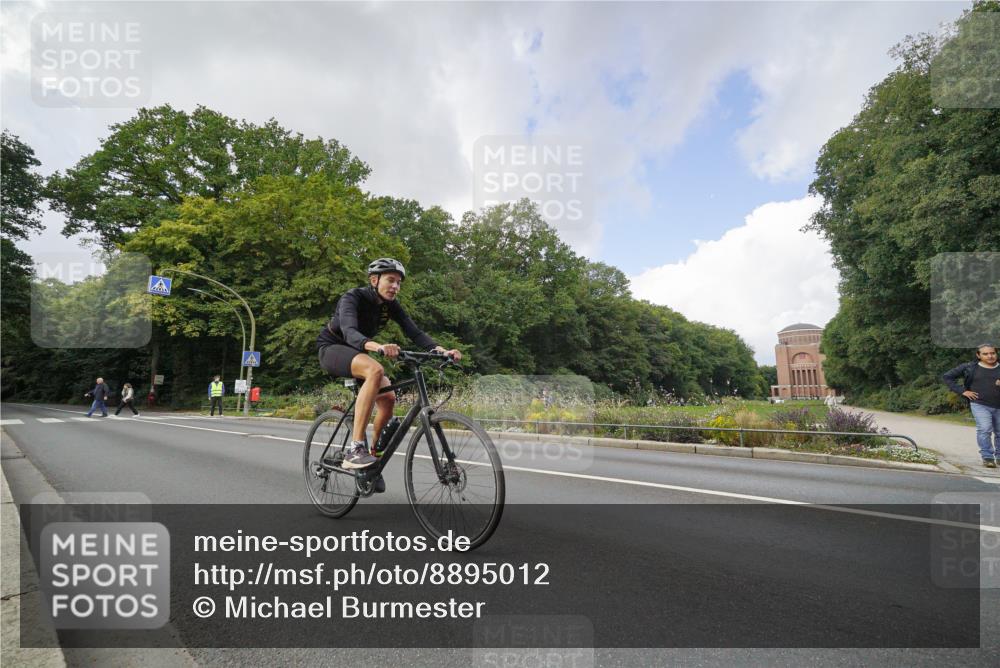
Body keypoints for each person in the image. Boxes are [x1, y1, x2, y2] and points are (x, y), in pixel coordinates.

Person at [316, 258, 461, 492]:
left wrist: (442, 351)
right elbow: (350, 332)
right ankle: (356, 448)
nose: (395, 286)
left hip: (359, 353)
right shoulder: (353, 298)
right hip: (333, 349)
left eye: (399, 282)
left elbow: (415, 333)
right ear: (374, 280)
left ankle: (373, 459)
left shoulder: (391, 306)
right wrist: (379, 347)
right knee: (375, 369)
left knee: (388, 398)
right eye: (390, 280)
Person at [943, 343, 1000, 468]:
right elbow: (947, 377)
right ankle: (988, 457)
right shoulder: (969, 367)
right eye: (985, 354)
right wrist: (962, 391)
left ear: (996, 354)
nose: (990, 356)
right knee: (985, 429)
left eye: (992, 353)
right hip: (979, 404)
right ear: (978, 355)